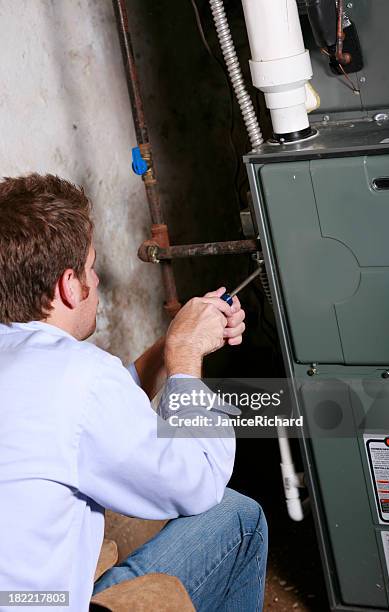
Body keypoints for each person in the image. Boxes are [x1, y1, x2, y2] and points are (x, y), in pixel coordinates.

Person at [0, 174, 268, 611]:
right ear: (69, 285)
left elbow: (87, 413)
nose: (97, 279)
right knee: (237, 518)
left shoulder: (31, 363)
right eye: (90, 267)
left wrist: (170, 344)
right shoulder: (80, 376)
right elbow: (199, 480)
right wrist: (185, 360)